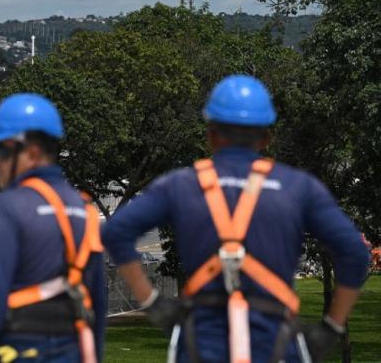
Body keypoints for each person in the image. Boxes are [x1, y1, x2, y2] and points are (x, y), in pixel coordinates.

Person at [101, 75, 371, 363]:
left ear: (211, 134)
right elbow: (355, 253)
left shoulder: (181, 185)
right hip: (275, 342)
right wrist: (331, 327)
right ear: (266, 137)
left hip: (201, 342)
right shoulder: (297, 187)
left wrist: (153, 303)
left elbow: (116, 232)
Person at [0, 93, 106, 363]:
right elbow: (97, 297)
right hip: (72, 348)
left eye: (1, 152)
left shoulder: (11, 206)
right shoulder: (85, 209)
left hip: (19, 347)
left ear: (33, 152)